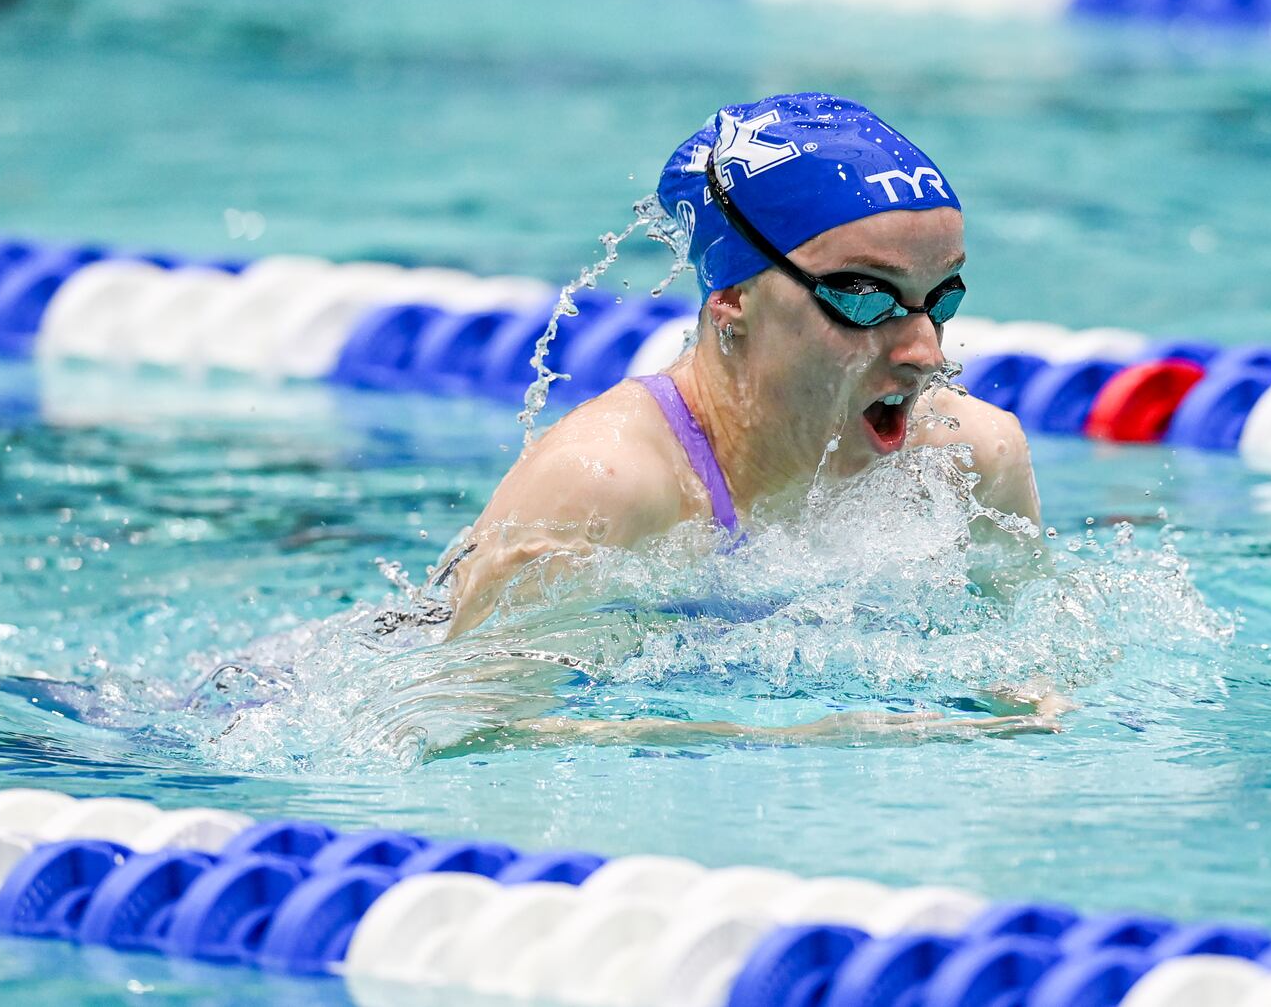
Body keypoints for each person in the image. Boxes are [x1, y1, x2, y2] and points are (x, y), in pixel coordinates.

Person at [445, 93, 1061, 744]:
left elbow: (1032, 688)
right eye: (863, 296)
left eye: (942, 296)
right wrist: (788, 741)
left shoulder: (968, 461)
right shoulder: (609, 485)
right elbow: (466, 729)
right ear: (733, 298)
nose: (926, 352)